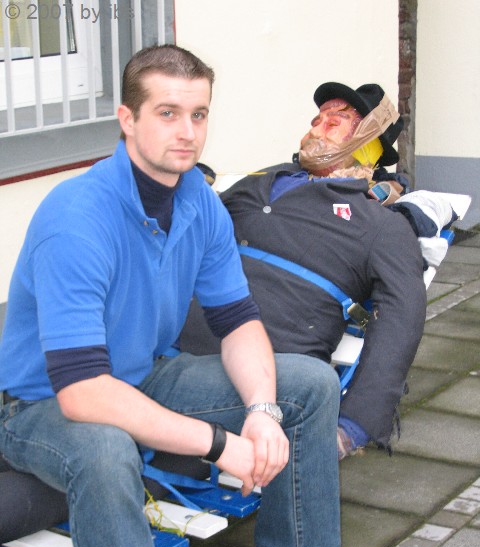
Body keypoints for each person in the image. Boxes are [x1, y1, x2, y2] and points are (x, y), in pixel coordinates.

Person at [0, 47, 386, 547]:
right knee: (104, 450)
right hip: (40, 403)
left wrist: (261, 410)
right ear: (128, 119)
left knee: (307, 384)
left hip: (143, 374)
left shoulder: (198, 201)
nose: (187, 132)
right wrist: (219, 444)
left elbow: (239, 322)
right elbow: (82, 394)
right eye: (167, 113)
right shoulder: (77, 217)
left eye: (199, 114)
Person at [181, 82, 456, 459]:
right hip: (166, 344)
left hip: (258, 374)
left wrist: (353, 426)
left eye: (334, 123)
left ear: (366, 144)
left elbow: (401, 318)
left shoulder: (380, 225)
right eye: (316, 120)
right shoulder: (261, 181)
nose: (316, 129)